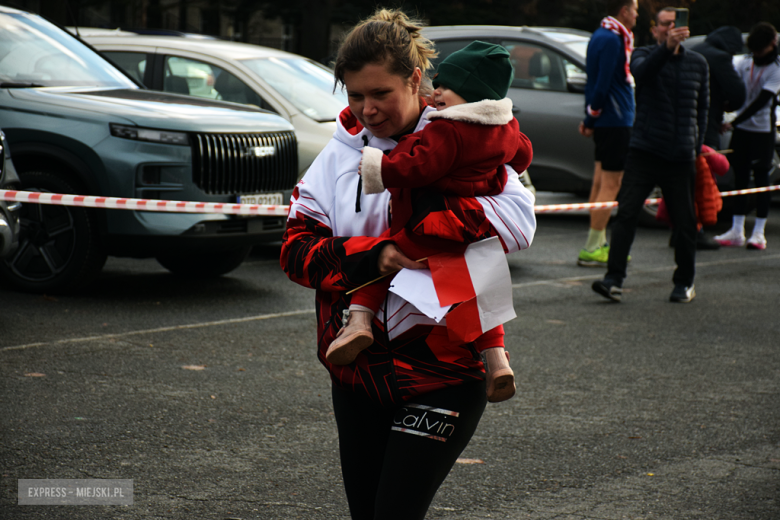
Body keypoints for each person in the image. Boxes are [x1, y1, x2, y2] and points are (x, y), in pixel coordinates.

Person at [279, 9, 537, 520]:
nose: (368, 109)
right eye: (356, 95)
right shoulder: (340, 152)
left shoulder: (466, 137)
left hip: (444, 370)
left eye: (382, 94)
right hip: (356, 371)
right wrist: (376, 255)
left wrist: (428, 230)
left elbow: (517, 224)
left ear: (416, 80)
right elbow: (294, 249)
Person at [327, 40, 533, 405]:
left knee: (384, 257)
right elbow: (522, 153)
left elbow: (422, 164)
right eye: (356, 95)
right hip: (467, 231)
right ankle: (497, 358)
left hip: (430, 220)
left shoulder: (446, 128)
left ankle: (358, 321)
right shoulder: (505, 126)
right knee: (479, 289)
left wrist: (379, 168)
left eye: (445, 88)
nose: (435, 94)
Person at [592, 6, 709, 303]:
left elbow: (702, 110)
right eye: (664, 25)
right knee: (627, 213)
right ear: (656, 29)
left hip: (681, 157)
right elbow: (640, 74)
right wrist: (666, 49)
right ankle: (613, 278)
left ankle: (684, 282)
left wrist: (695, 146)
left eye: (675, 24)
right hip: (644, 151)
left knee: (685, 222)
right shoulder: (644, 55)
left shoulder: (698, 63)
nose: (670, 29)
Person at [576, 0, 638, 267]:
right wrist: (593, 116)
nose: (637, 16)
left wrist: (591, 118)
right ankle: (592, 247)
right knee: (611, 184)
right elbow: (600, 84)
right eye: (635, 9)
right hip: (615, 120)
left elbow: (595, 81)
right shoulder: (612, 39)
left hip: (607, 121)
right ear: (624, 10)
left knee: (601, 181)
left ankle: (597, 242)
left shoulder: (600, 34)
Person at [715, 22, 780, 250]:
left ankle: (759, 233)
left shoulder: (776, 68)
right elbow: (735, 92)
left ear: (772, 45)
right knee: (739, 179)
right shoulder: (744, 62)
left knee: (761, 180)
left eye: (759, 51)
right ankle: (736, 229)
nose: (756, 55)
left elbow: (761, 101)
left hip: (762, 131)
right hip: (742, 130)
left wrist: (733, 122)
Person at [689, 26, 746, 250]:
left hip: (685, 123)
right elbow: (738, 93)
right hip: (706, 124)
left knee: (685, 180)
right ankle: (698, 229)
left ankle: (681, 230)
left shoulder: (696, 49)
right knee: (703, 180)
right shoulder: (720, 58)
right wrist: (726, 106)